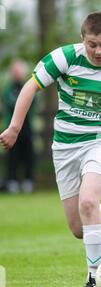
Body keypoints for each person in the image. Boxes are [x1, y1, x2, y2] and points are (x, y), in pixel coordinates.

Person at [0, 12, 101, 287]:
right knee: (79, 228)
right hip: (64, 148)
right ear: (82, 39)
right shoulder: (64, 58)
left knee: (87, 204)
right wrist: (14, 128)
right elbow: (29, 87)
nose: (98, 51)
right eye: (92, 44)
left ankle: (95, 279)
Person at [1, 60, 36, 193]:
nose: (17, 74)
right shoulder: (8, 89)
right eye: (15, 71)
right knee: (12, 157)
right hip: (11, 127)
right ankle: (12, 182)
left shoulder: (29, 86)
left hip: (27, 128)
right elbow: (10, 103)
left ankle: (28, 181)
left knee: (28, 155)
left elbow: (32, 104)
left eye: (19, 71)